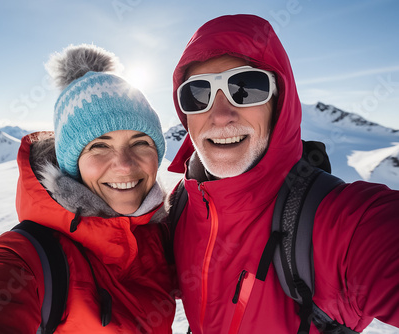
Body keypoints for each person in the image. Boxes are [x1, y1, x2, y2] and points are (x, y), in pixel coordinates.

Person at [0, 44, 176, 333]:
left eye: (141, 142)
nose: (124, 165)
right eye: (99, 146)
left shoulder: (160, 231)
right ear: (71, 163)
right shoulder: (29, 257)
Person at [168, 14, 399, 334]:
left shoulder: (342, 225)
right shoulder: (180, 207)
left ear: (280, 102)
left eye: (246, 87)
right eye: (198, 93)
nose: (220, 115)